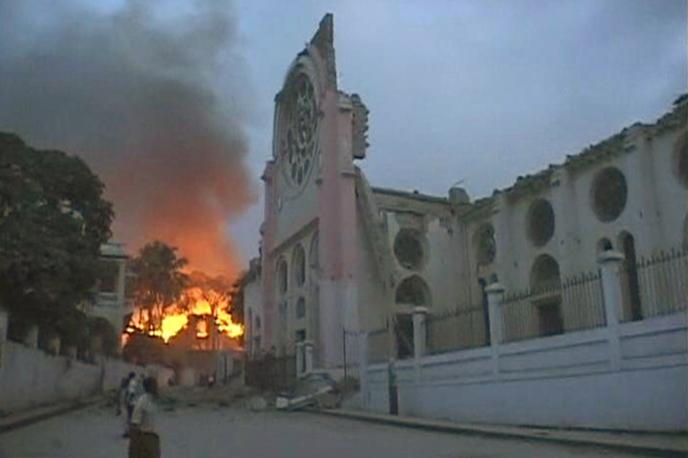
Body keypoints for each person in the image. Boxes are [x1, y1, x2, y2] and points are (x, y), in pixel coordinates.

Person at [129, 376, 161, 458]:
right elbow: (134, 424)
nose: (157, 387)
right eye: (155, 385)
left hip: (154, 440)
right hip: (144, 440)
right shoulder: (142, 401)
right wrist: (133, 450)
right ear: (150, 387)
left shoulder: (154, 401)